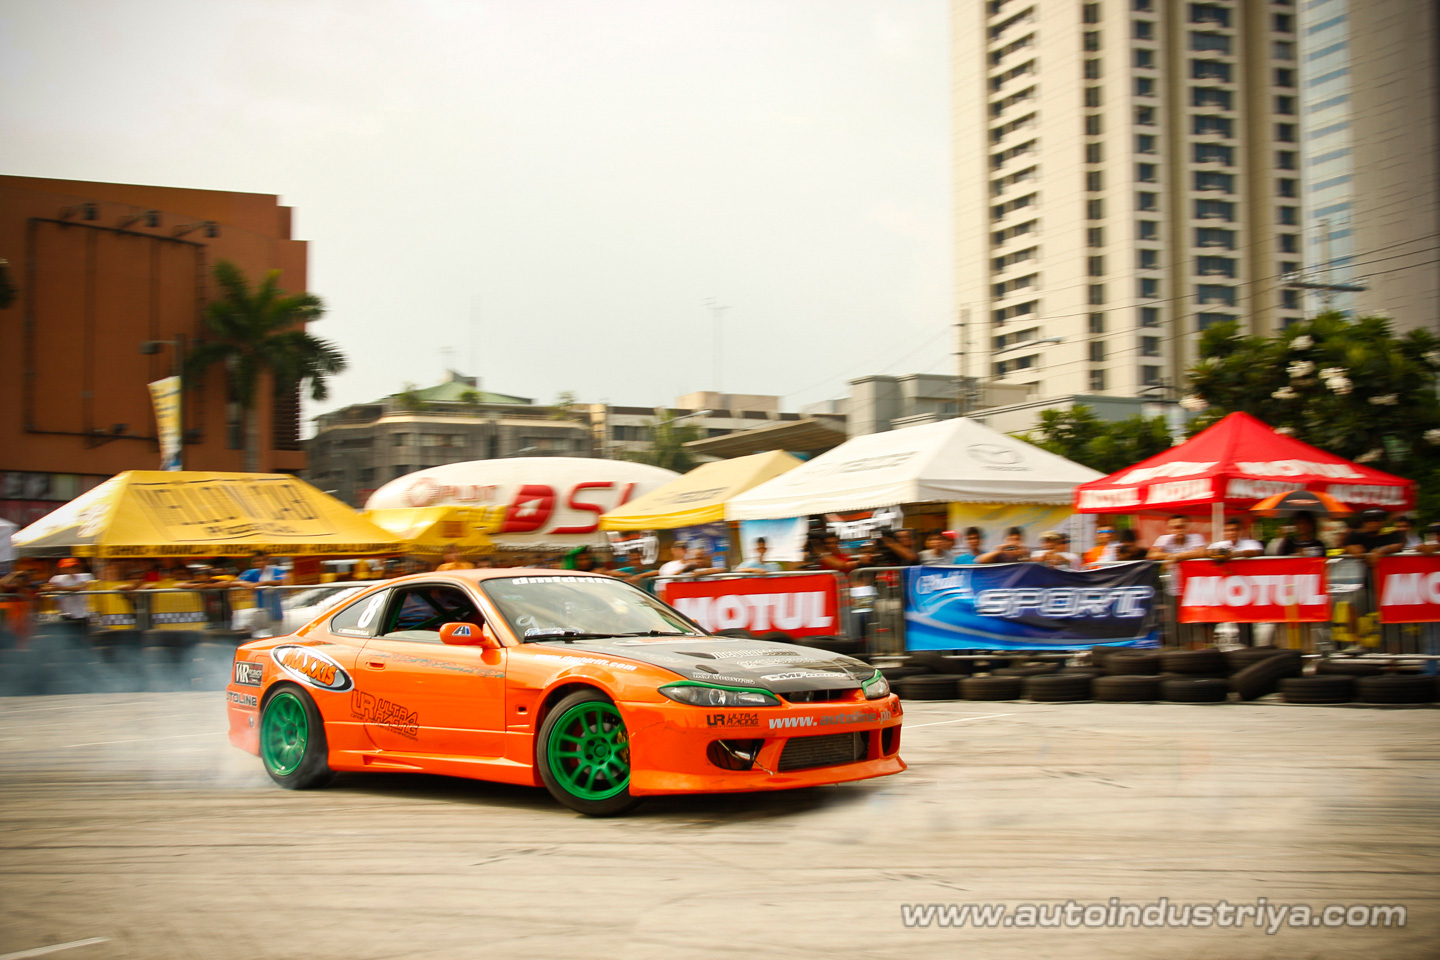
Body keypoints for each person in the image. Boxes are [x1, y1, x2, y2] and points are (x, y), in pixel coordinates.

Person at [42, 558, 94, 636]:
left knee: (83, 636)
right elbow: (45, 588)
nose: (71, 569)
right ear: (62, 569)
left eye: (74, 566)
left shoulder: (86, 576)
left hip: (83, 613)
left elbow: (81, 587)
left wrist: (58, 588)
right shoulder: (57, 579)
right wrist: (48, 588)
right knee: (68, 636)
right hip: (65, 613)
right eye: (67, 567)